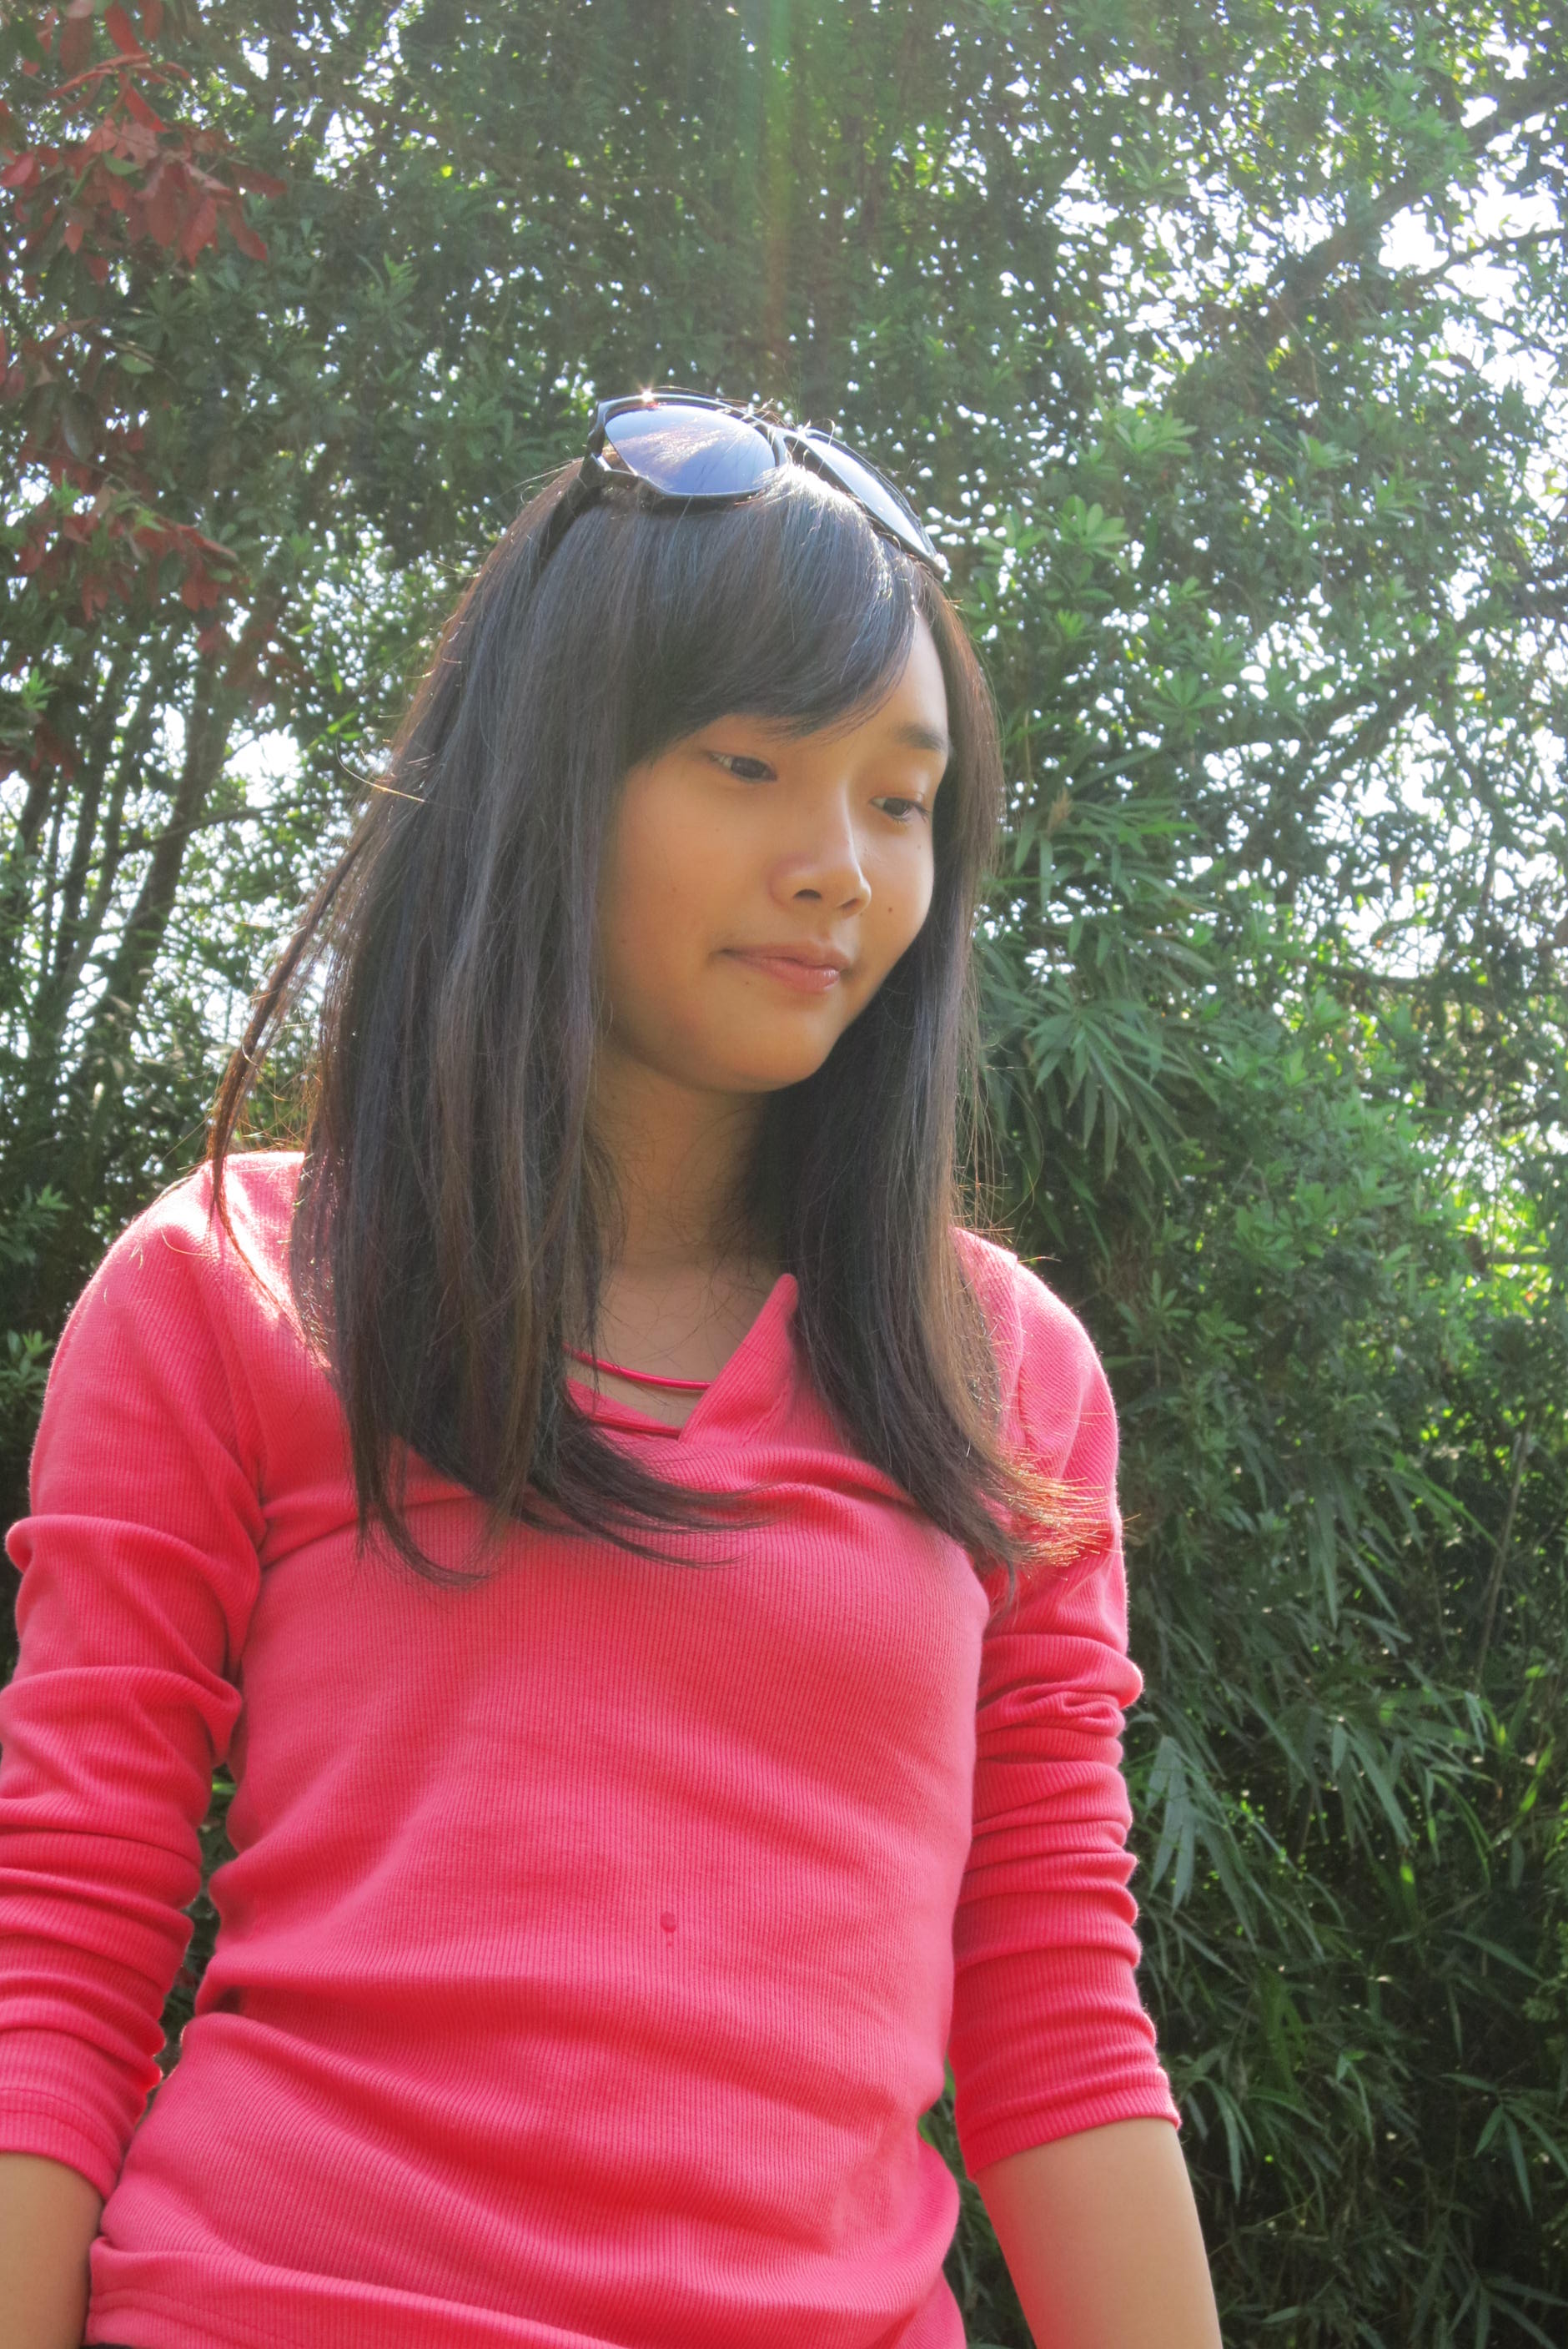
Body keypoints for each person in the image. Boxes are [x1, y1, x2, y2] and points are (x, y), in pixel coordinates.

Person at [0, 392, 1222, 2349]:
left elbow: (1054, 2006)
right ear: (550, 773)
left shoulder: (1001, 1378)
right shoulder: (233, 1286)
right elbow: (61, 1947)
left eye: (900, 800)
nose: (838, 865)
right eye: (750, 764)